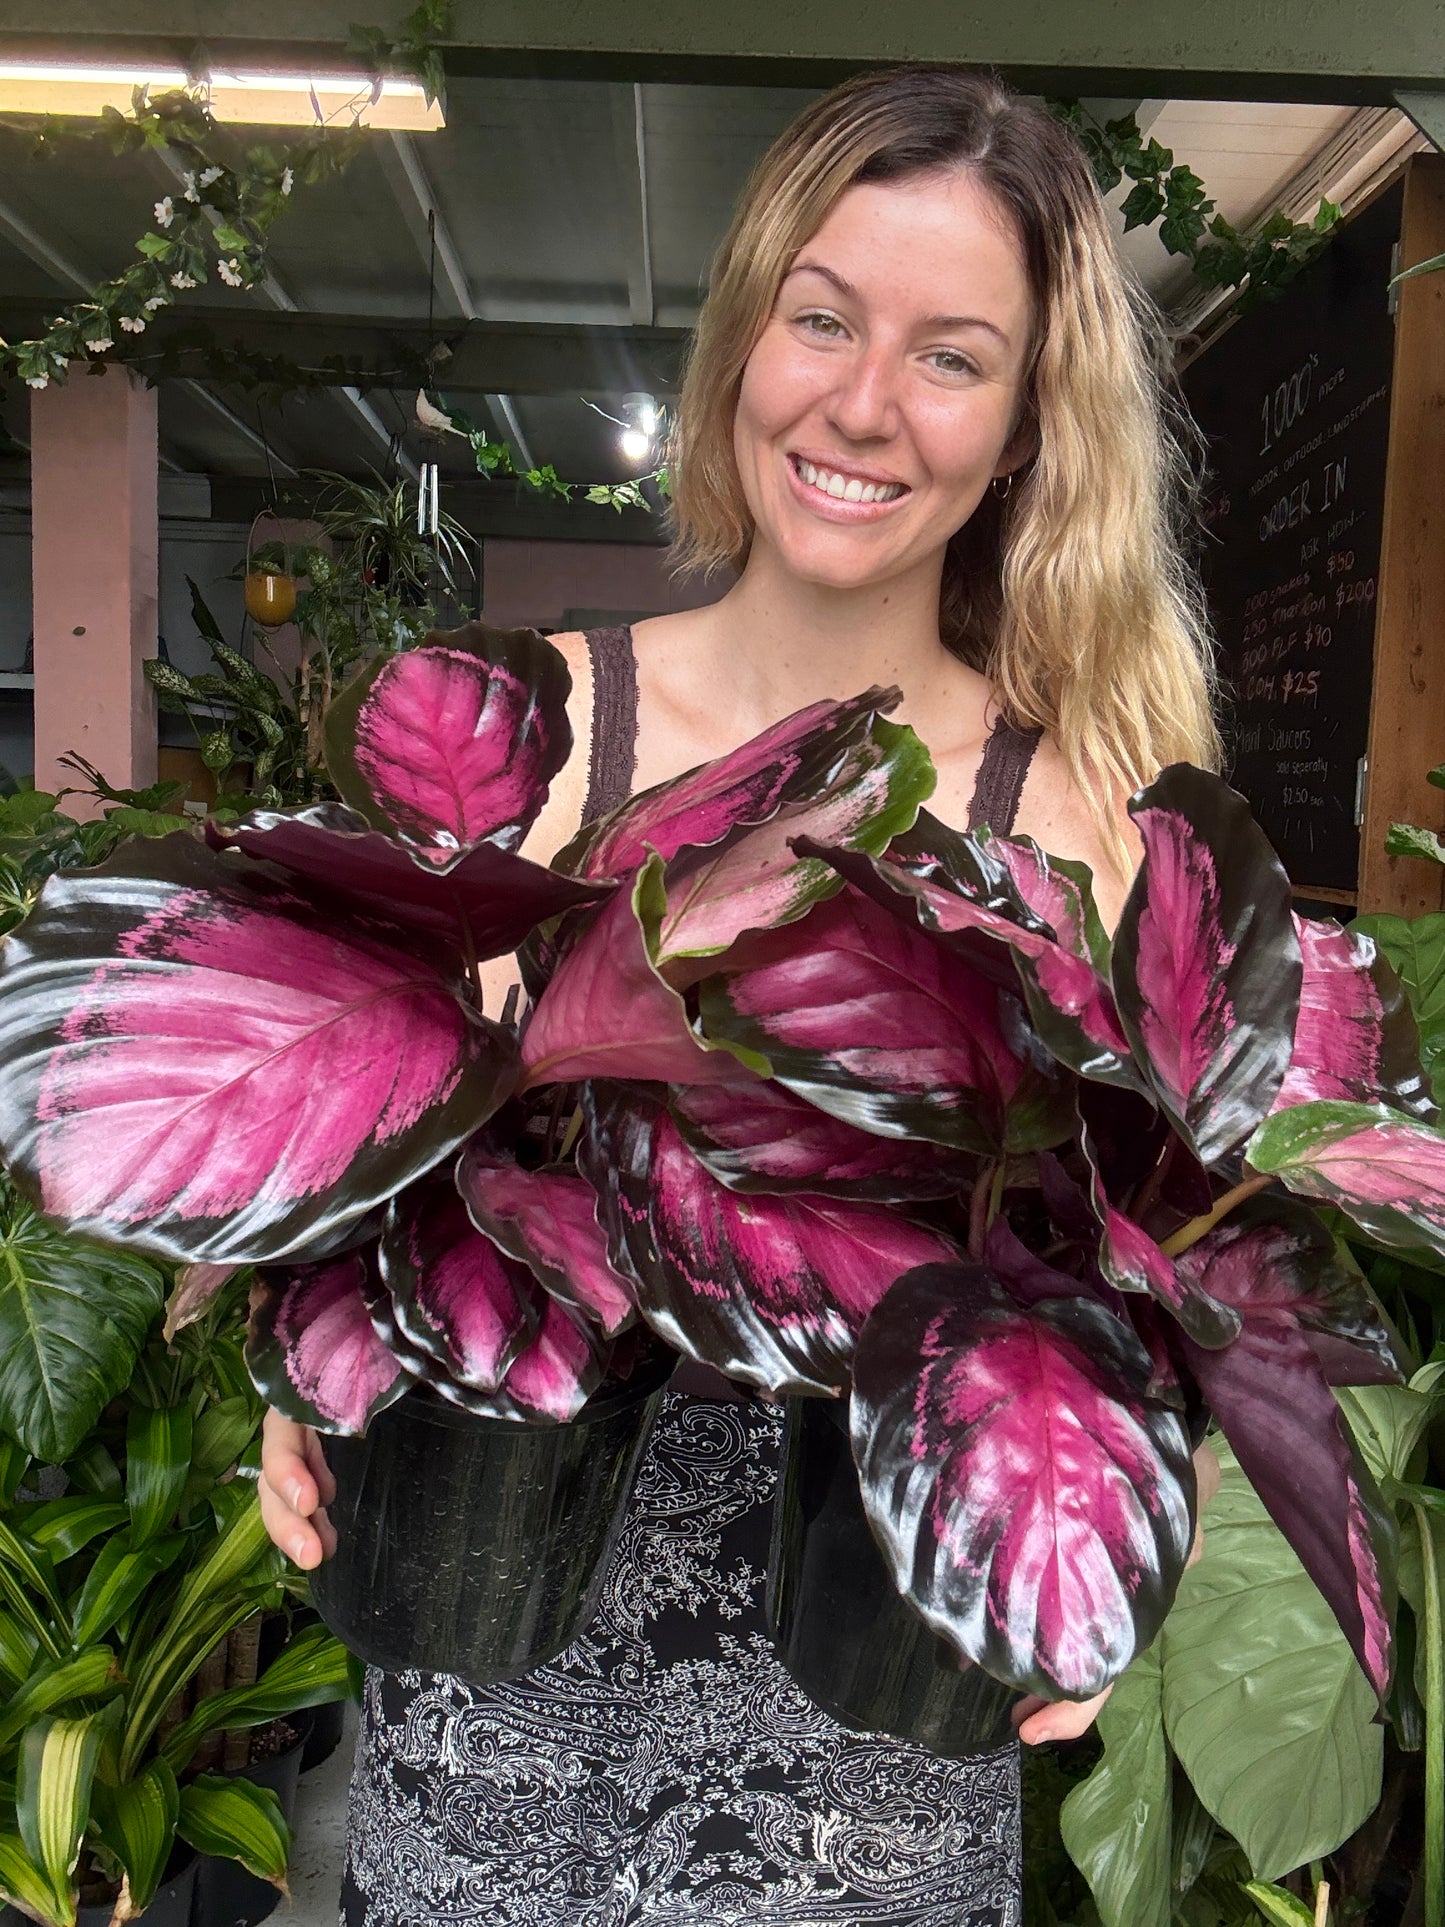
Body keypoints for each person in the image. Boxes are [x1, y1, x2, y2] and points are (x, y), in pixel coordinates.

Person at [261, 63, 1222, 1925]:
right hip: (496, 1709)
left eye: (951, 355)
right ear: (744, 343)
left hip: (862, 1746)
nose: (863, 404)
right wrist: (297, 1372)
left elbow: (1137, 1288)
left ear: (1029, 423)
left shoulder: (1082, 817)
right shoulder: (530, 731)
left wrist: (1099, 1578)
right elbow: (361, 1161)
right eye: (821, 320)